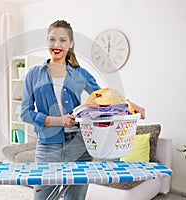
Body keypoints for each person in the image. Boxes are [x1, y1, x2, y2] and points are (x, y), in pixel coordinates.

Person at [21, 19, 145, 200]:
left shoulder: (80, 74)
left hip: (79, 145)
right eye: (52, 39)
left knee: (76, 198)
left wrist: (132, 105)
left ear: (70, 44)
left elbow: (105, 97)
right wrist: (59, 121)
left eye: (63, 40)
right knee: (43, 198)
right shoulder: (34, 74)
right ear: (47, 41)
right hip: (47, 147)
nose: (57, 45)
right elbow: (26, 113)